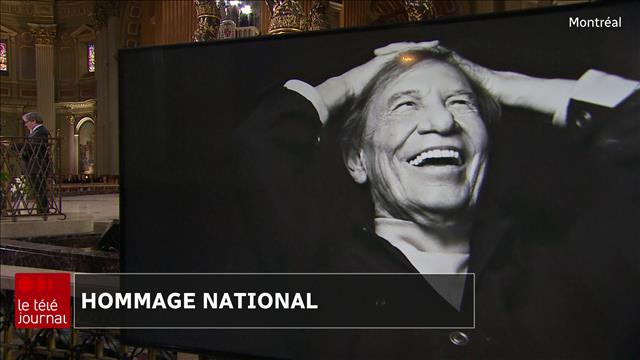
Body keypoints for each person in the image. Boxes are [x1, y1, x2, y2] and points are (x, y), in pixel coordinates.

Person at [235, 42, 639, 358]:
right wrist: (352, 84)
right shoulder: (318, 275)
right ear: (358, 160)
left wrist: (503, 84)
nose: (442, 123)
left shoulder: (563, 276)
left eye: (460, 103)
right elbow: (259, 144)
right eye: (405, 104)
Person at [1, 112, 52, 214]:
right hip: (34, 164)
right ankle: (42, 209)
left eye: (26, 122)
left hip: (38, 165)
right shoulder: (34, 132)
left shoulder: (41, 131)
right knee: (37, 187)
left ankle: (43, 209)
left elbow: (31, 147)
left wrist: (11, 144)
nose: (25, 124)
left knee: (39, 187)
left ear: (34, 121)